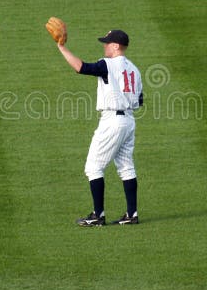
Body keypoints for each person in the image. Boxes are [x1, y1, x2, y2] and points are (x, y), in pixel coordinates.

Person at [56, 28, 143, 226]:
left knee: (94, 167)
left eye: (107, 42)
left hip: (112, 121)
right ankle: (132, 214)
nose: (104, 45)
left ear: (116, 46)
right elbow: (139, 100)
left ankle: (98, 215)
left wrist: (61, 47)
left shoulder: (108, 64)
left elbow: (81, 67)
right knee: (126, 166)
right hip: (129, 121)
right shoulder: (134, 70)